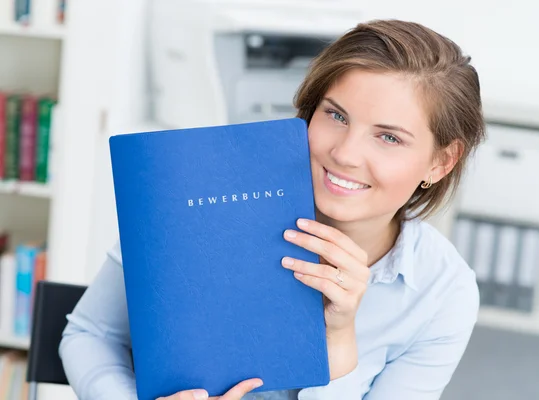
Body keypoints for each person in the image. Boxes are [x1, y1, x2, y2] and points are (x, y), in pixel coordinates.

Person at [59, 18, 485, 400]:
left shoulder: (443, 293)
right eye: (335, 115)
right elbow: (90, 334)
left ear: (440, 161)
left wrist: (337, 342)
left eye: (389, 137)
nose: (345, 153)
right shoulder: (192, 200)